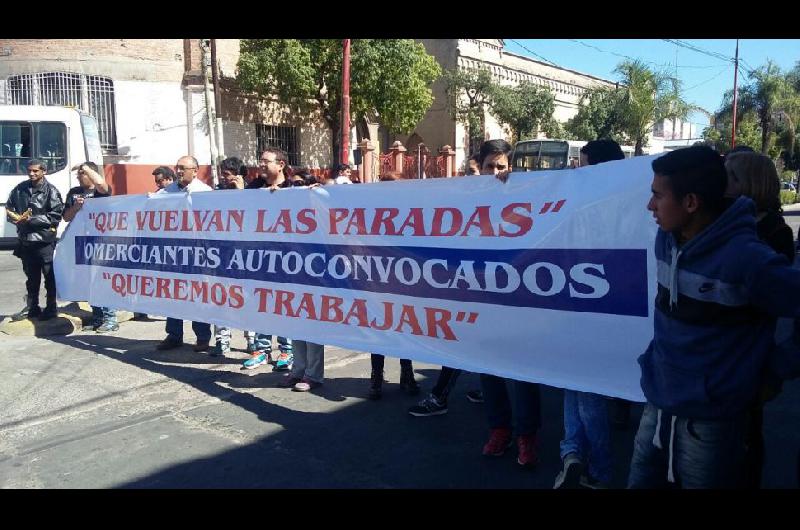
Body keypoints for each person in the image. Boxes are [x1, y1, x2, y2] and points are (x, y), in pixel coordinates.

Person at [628, 145, 800, 489]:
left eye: (657, 197)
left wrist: (777, 368)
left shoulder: (747, 259)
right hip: (658, 407)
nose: (650, 206)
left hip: (711, 422)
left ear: (691, 203)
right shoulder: (665, 238)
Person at [553, 140, 624, 489]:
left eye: (583, 163)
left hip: (593, 309)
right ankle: (573, 454)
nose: (577, 170)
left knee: (587, 391)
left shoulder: (608, 209)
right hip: (580, 305)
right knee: (574, 384)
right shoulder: (595, 205)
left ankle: (597, 466)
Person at [724, 150, 794, 489]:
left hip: (749, 352)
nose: (724, 183)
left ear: (749, 184)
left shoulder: (773, 231)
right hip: (724, 355)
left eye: (731, 177)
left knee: (746, 437)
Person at [366, 171, 421, 399]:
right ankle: (376, 378)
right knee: (379, 331)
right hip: (378, 280)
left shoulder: (411, 212)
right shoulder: (369, 212)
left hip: (403, 281)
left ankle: (406, 376)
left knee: (403, 329)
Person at [241, 148, 294, 371]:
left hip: (285, 258)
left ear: (280, 164)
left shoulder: (294, 188)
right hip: (258, 256)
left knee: (283, 304)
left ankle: (287, 350)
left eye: (266, 161)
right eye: (260, 161)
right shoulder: (254, 187)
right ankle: (261, 350)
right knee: (260, 304)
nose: (261, 165)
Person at [156, 156, 214, 352]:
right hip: (173, 252)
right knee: (173, 292)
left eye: (183, 168)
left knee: (198, 294)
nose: (179, 171)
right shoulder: (166, 192)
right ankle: (174, 334)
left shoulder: (205, 192)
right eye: (177, 168)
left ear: (195, 171)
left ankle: (203, 337)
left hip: (197, 251)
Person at [62, 162, 118, 332]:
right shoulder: (74, 193)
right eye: (78, 174)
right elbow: (66, 217)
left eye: (82, 173)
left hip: (101, 242)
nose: (79, 176)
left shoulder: (101, 192)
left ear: (91, 173)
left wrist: (85, 167)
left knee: (102, 280)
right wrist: (77, 207)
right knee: (89, 281)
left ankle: (110, 319)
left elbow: (102, 185)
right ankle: (97, 317)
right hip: (82, 242)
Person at [7, 159, 64, 321]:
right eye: (30, 170)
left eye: (35, 171)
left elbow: (56, 215)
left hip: (44, 242)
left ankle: (51, 308)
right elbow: (10, 209)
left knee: (49, 277)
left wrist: (31, 220)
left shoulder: (51, 191)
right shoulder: (20, 189)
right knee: (31, 278)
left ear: (43, 171)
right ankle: (32, 307)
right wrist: (16, 219)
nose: (32, 173)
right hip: (26, 241)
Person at [210, 156, 257, 356]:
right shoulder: (215, 193)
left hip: (244, 255)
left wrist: (240, 193)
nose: (223, 178)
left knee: (247, 299)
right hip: (220, 254)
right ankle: (222, 341)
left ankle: (252, 340)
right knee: (219, 298)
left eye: (227, 174)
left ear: (239, 175)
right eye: (221, 174)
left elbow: (254, 218)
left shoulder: (253, 193)